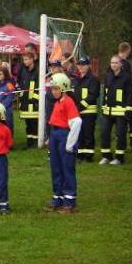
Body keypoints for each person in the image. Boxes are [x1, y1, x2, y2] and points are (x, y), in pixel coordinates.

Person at [45, 74, 82, 213]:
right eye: (52, 89)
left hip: (65, 136)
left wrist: (70, 144)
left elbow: (77, 122)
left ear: (64, 88)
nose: (53, 91)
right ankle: (57, 197)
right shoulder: (58, 102)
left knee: (67, 169)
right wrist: (50, 138)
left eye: (56, 89)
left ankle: (69, 201)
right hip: (55, 135)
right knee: (56, 167)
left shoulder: (68, 102)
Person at [100, 55, 132, 165]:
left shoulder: (127, 77)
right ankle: (106, 156)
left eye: (116, 63)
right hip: (107, 112)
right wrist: (104, 106)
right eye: (112, 63)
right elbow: (105, 93)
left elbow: (129, 95)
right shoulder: (108, 76)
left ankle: (119, 158)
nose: (113, 65)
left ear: (121, 64)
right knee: (104, 133)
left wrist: (128, 109)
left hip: (121, 112)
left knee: (120, 134)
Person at [73, 57, 100, 162]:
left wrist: (80, 106)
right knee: (79, 134)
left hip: (89, 112)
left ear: (88, 66)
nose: (80, 67)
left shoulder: (93, 79)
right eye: (79, 65)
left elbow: (93, 95)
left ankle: (88, 156)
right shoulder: (77, 79)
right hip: (78, 112)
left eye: (83, 65)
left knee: (88, 134)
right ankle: (80, 155)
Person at [18, 52, 40, 148]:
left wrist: (35, 99)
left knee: (34, 123)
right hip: (25, 101)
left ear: (32, 59)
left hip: (34, 102)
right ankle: (29, 142)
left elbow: (39, 88)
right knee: (28, 123)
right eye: (24, 60)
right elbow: (20, 82)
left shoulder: (38, 71)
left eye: (27, 59)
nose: (25, 61)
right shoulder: (23, 70)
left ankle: (36, 142)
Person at [0, 67, 15, 131]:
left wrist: (0, 106)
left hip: (6, 111)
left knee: (7, 128)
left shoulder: (9, 85)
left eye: (1, 74)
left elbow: (10, 98)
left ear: (5, 75)